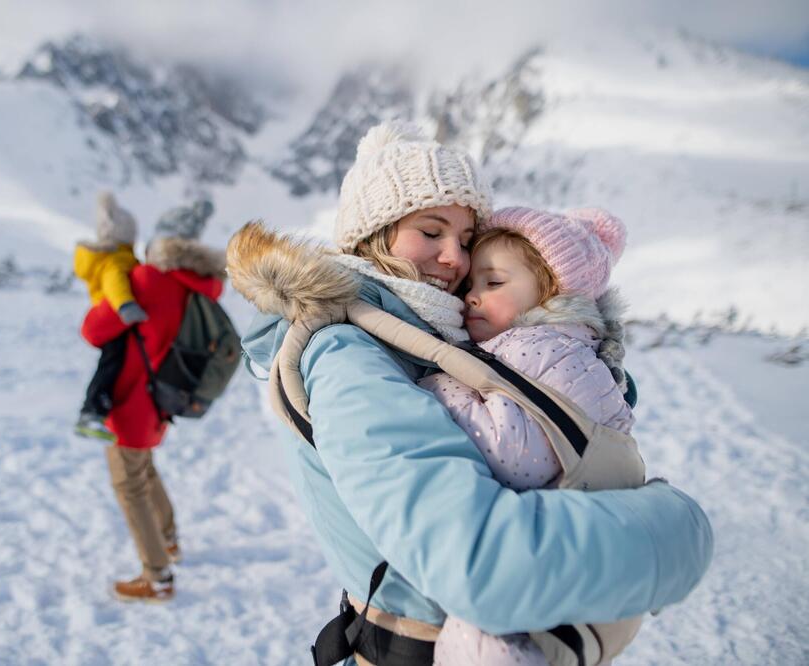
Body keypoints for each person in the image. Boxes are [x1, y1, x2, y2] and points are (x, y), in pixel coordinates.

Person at [227, 121, 712, 664]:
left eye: (465, 240)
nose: (455, 259)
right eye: (431, 233)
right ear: (373, 234)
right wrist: (675, 530)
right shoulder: (345, 355)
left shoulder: (431, 336)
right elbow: (479, 565)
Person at [420, 207, 637, 665]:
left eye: (493, 283)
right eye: (471, 285)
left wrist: (436, 383)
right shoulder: (557, 346)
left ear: (550, 292)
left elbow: (511, 454)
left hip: (538, 565)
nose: (472, 298)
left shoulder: (538, 347)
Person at [80, 198, 227, 602]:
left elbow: (94, 330)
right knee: (143, 470)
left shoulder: (147, 281)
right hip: (161, 398)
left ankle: (157, 575)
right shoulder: (197, 284)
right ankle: (170, 540)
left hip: (130, 401)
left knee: (129, 484)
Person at [73, 192, 149, 440]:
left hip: (110, 323)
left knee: (112, 365)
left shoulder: (115, 256)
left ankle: (96, 412)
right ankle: (91, 412)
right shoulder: (116, 259)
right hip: (115, 321)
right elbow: (115, 282)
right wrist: (126, 305)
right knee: (111, 366)